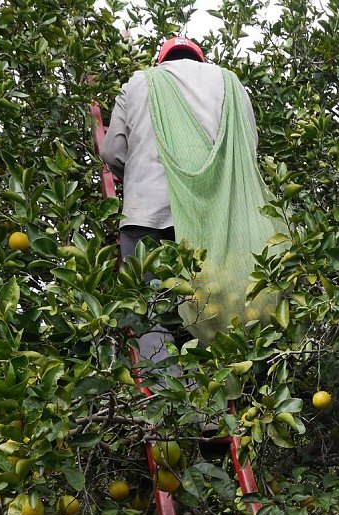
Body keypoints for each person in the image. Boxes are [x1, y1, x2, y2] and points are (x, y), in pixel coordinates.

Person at [100, 37, 260, 370]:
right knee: (213, 312)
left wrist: (135, 175)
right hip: (215, 226)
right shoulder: (233, 86)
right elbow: (249, 151)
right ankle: (213, 403)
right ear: (201, 60)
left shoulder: (140, 83)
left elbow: (113, 151)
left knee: (149, 313)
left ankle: (165, 403)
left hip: (148, 217)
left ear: (161, 61)